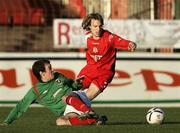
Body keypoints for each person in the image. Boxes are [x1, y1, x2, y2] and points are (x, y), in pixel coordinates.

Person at [0, 59, 106, 126]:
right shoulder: (35, 91)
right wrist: (7, 122)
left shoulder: (58, 76)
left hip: (78, 99)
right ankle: (95, 120)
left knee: (66, 97)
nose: (52, 69)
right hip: (69, 110)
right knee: (60, 122)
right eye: (49, 68)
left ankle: (89, 112)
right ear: (42, 73)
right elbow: (20, 106)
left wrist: (77, 83)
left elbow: (73, 86)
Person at [78, 13, 137, 100]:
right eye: (95, 26)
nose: (98, 29)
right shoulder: (87, 37)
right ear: (89, 26)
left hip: (104, 73)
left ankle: (84, 112)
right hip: (89, 70)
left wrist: (131, 44)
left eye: (100, 26)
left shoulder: (109, 38)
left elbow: (123, 42)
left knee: (86, 98)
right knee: (71, 93)